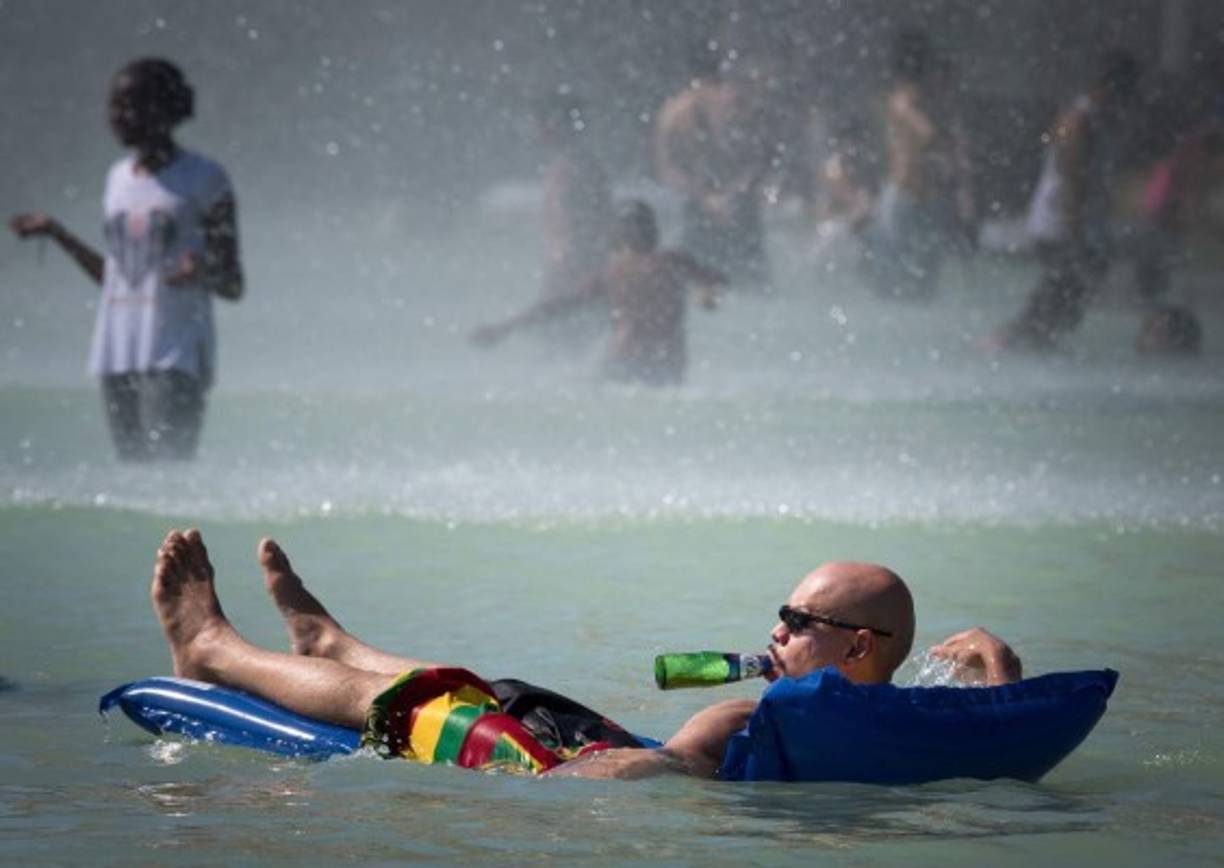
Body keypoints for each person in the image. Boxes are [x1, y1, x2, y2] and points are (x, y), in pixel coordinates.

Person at [149, 527, 1023, 780]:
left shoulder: (758, 717)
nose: (776, 632)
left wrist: (561, 785)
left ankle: (215, 646)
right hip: (604, 743)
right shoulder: (870, 711)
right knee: (491, 687)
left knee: (420, 703)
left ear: (861, 646)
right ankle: (311, 643)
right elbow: (997, 743)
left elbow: (659, 779)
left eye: (798, 621)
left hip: (588, 762)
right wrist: (1001, 672)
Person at [9, 58, 244, 461]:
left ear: (165, 109)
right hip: (118, 349)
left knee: (169, 473)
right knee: (133, 478)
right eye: (114, 105)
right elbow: (117, 279)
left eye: (131, 105)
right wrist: (58, 234)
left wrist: (202, 272)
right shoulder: (117, 178)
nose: (118, 116)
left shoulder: (205, 179)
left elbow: (233, 283)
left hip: (177, 353)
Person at [471, 200, 725, 387]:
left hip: (623, 361)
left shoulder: (613, 271)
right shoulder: (671, 262)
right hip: (664, 364)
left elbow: (559, 306)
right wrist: (707, 294)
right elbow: (718, 281)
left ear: (619, 233)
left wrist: (505, 329)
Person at [994, 52, 1140, 350]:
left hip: (1076, 216)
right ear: (1110, 87)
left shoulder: (1089, 115)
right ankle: (1020, 335)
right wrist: (1074, 221)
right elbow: (1068, 168)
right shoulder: (1078, 117)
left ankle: (1037, 335)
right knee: (1067, 278)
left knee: (1075, 279)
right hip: (1062, 217)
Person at [867, 29, 975, 301]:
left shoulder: (902, 99)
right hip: (912, 192)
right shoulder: (911, 100)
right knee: (916, 277)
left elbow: (926, 135)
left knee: (898, 279)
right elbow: (929, 136)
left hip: (906, 192)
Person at [654, 42, 772, 289]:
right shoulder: (738, 102)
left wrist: (707, 198)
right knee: (753, 287)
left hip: (705, 207)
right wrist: (727, 195)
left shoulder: (671, 112)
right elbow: (760, 160)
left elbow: (667, 172)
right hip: (733, 206)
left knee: (700, 285)